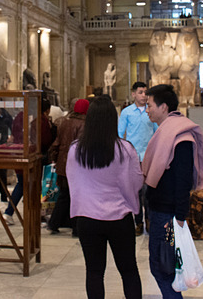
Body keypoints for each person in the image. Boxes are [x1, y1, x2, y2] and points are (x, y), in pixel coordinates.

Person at [67, 95, 144, 299]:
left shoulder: (76, 150)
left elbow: (73, 182)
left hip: (88, 218)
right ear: (113, 120)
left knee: (94, 271)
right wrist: (131, 205)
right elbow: (136, 183)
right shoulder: (125, 149)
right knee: (128, 271)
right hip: (119, 217)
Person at [142, 84, 203, 299]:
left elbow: (182, 178)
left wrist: (180, 216)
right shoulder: (166, 131)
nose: (147, 110)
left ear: (163, 107)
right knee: (161, 265)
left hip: (168, 213)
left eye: (150, 105)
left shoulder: (180, 135)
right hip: (161, 209)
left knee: (163, 267)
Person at [4, 97, 54, 225]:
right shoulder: (40, 120)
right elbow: (45, 140)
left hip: (20, 153)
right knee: (32, 186)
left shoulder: (20, 116)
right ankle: (34, 215)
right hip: (34, 157)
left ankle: (9, 212)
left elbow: (15, 133)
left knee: (22, 184)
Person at [117, 81, 158, 235]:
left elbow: (157, 132)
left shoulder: (151, 112)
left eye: (145, 93)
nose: (143, 95)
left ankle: (149, 220)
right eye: (140, 92)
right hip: (132, 158)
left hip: (148, 157)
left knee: (148, 191)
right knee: (135, 192)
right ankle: (138, 221)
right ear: (133, 93)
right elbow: (120, 134)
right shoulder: (127, 113)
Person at [47, 98, 89, 235]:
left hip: (62, 163)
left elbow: (57, 143)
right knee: (77, 196)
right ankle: (76, 228)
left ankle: (54, 223)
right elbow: (81, 147)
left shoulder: (64, 122)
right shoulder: (84, 124)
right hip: (76, 165)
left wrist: (55, 159)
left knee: (64, 195)